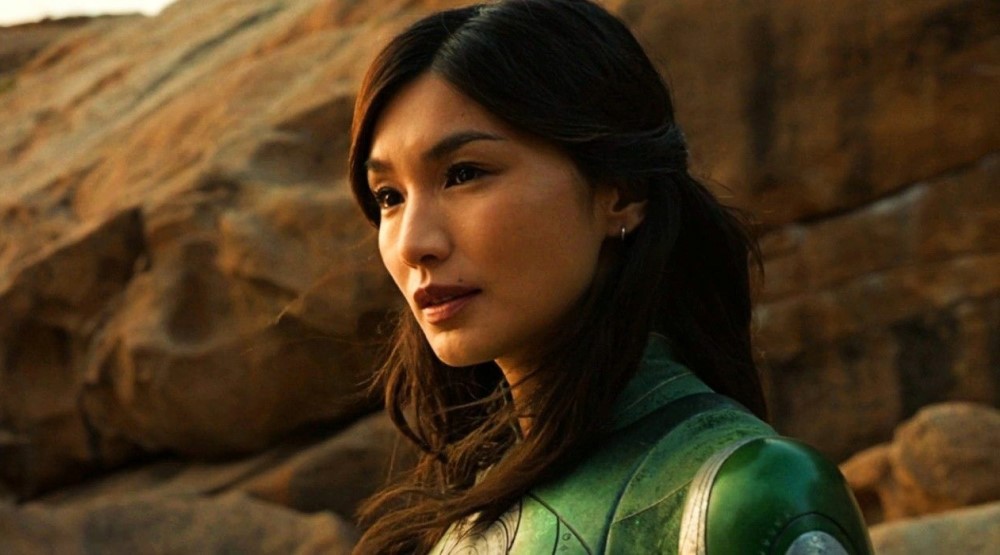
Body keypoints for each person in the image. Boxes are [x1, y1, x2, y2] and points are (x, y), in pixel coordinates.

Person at [347, 0, 873, 553]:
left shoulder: (750, 494)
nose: (412, 244)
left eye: (464, 174)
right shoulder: (466, 519)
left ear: (620, 192)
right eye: (389, 197)